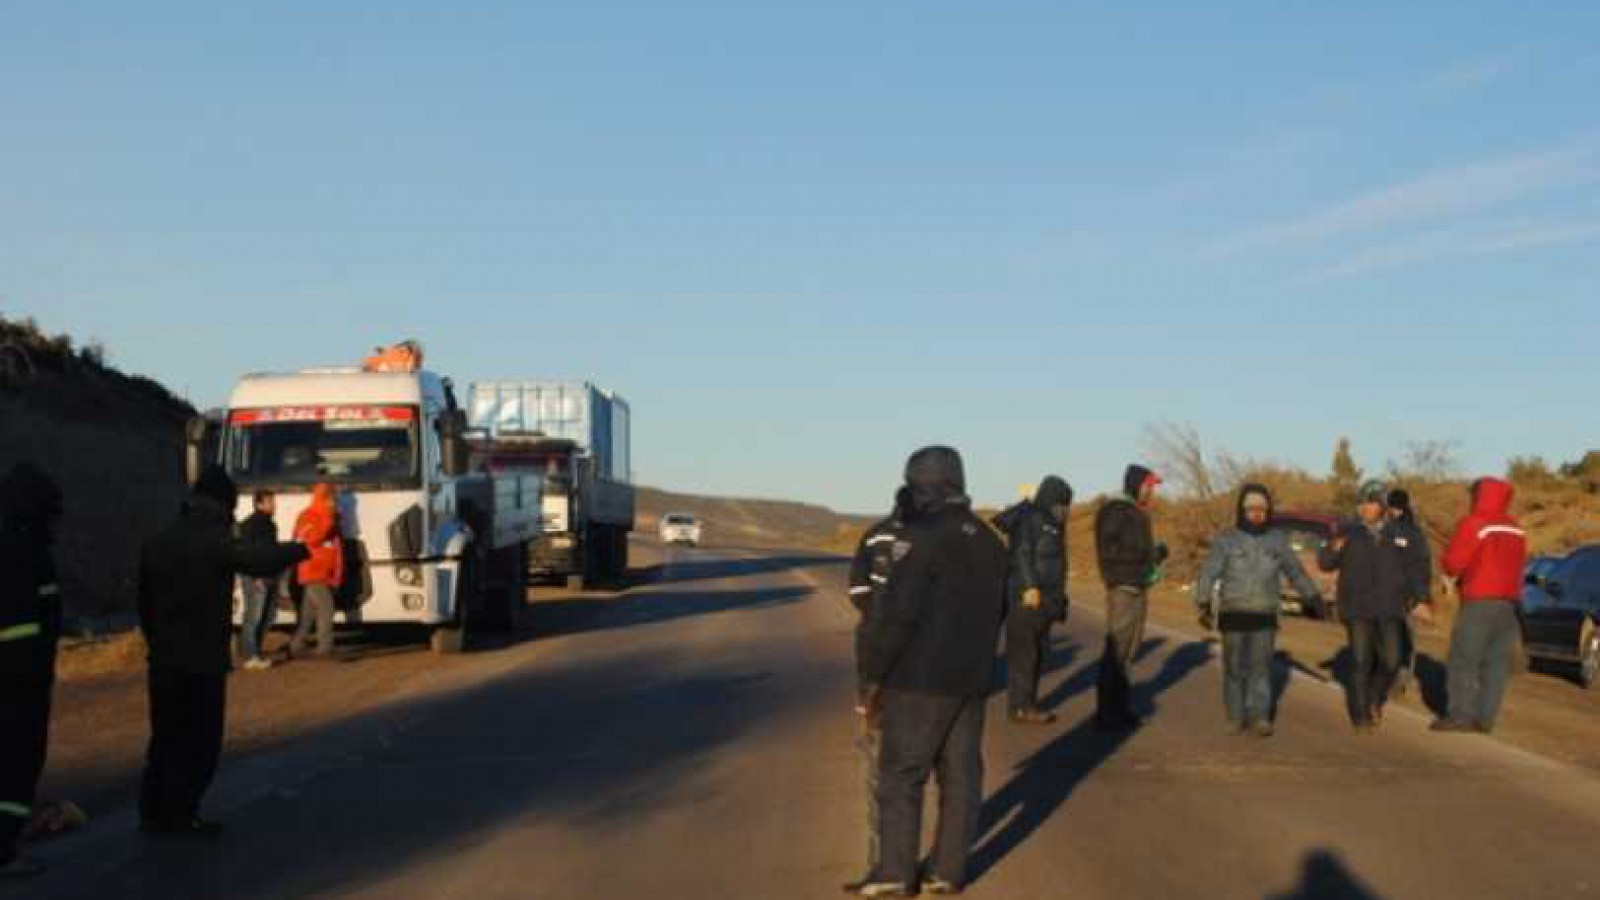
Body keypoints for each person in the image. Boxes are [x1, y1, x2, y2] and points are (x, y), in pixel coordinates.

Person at [855, 447, 1007, 898]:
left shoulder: (920, 537)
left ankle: (895, 875)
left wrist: (873, 676)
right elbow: (1000, 610)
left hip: (919, 678)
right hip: (972, 679)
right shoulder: (989, 539)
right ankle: (948, 872)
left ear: (922, 484)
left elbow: (897, 614)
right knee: (961, 775)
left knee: (902, 774)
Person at [138, 465, 307, 836]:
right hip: (201, 660)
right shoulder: (216, 539)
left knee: (165, 736)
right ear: (224, 504)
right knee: (200, 742)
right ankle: (181, 815)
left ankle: (152, 810)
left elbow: (144, 606)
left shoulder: (159, 539)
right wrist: (297, 549)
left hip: (164, 659)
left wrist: (156, 643)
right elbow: (256, 560)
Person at [1195, 484, 1326, 737]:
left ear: (1268, 512)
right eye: (1251, 510)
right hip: (1233, 613)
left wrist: (1312, 596)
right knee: (1234, 668)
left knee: (1261, 668)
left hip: (1264, 614)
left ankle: (1260, 717)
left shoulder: (1277, 541)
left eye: (1261, 510)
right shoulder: (1226, 540)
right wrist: (1203, 603)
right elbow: (1209, 572)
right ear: (1242, 511)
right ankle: (1235, 717)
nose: (1256, 514)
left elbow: (1295, 571)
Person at [842, 486, 913, 895]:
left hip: (873, 651)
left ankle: (883, 864)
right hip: (910, 661)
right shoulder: (923, 539)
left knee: (880, 763)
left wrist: (876, 616)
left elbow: (856, 587)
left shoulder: (872, 534)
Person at [1319, 481, 1428, 731]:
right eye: (1362, 503)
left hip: (1390, 607)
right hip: (1356, 606)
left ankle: (1375, 696)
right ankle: (1361, 715)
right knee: (1360, 660)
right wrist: (1332, 548)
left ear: (1382, 506)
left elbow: (1418, 567)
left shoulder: (1404, 533)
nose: (1365, 508)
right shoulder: (1348, 532)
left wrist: (1420, 598)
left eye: (1371, 503)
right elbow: (1326, 563)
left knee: (1392, 660)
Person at [0, 464, 65, 880]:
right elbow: (23, 629)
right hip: (18, 683)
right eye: (53, 514)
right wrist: (31, 677)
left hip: (19, 678)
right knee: (16, 764)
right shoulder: (23, 555)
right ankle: (3, 850)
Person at [1432, 477, 1527, 734]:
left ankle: (1460, 715)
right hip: (1509, 604)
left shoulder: (1475, 523)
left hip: (1479, 600)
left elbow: (1455, 561)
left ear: (1480, 496)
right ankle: (1485, 718)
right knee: (1496, 663)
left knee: (1464, 658)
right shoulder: (1517, 530)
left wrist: (1450, 575)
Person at [993, 476, 1073, 725]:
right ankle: (1020, 708)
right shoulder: (1031, 519)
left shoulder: (1051, 523)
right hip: (1027, 598)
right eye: (1061, 504)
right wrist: (1029, 586)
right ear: (1050, 500)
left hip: (1045, 600)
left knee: (1037, 654)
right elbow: (1022, 552)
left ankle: (1027, 702)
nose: (1065, 510)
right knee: (1024, 655)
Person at [1092, 464, 1166, 731]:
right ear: (1136, 484)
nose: (1151, 492)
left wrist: (1154, 556)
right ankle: (1106, 713)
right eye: (1149, 486)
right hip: (1123, 586)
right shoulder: (1115, 510)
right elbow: (1109, 551)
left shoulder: (1137, 512)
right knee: (1116, 651)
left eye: (1153, 487)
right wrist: (1141, 560)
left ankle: (1121, 708)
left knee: (1130, 651)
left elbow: (1133, 549)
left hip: (1138, 585)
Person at [1385, 488, 1434, 699]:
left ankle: (1400, 679)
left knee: (1404, 638)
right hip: (1384, 593)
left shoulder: (1413, 533)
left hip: (1405, 596)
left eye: (1395, 506)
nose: (1393, 510)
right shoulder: (1385, 529)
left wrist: (1421, 598)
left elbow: (1421, 566)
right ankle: (1388, 676)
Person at [289, 483, 343, 660]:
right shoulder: (309, 516)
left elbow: (335, 548)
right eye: (331, 499)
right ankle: (324, 648)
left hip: (321, 572)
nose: (334, 502)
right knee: (327, 608)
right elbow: (311, 539)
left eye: (334, 499)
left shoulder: (330, 517)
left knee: (308, 613)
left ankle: (296, 646)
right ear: (323, 498)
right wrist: (328, 518)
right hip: (312, 571)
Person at [236, 489, 282, 671]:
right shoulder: (249, 525)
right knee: (253, 615)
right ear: (259, 504)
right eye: (270, 502)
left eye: (274, 502)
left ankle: (253, 649)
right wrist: (255, 576)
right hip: (256, 576)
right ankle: (251, 656)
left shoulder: (270, 525)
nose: (274, 506)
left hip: (269, 575)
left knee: (268, 616)